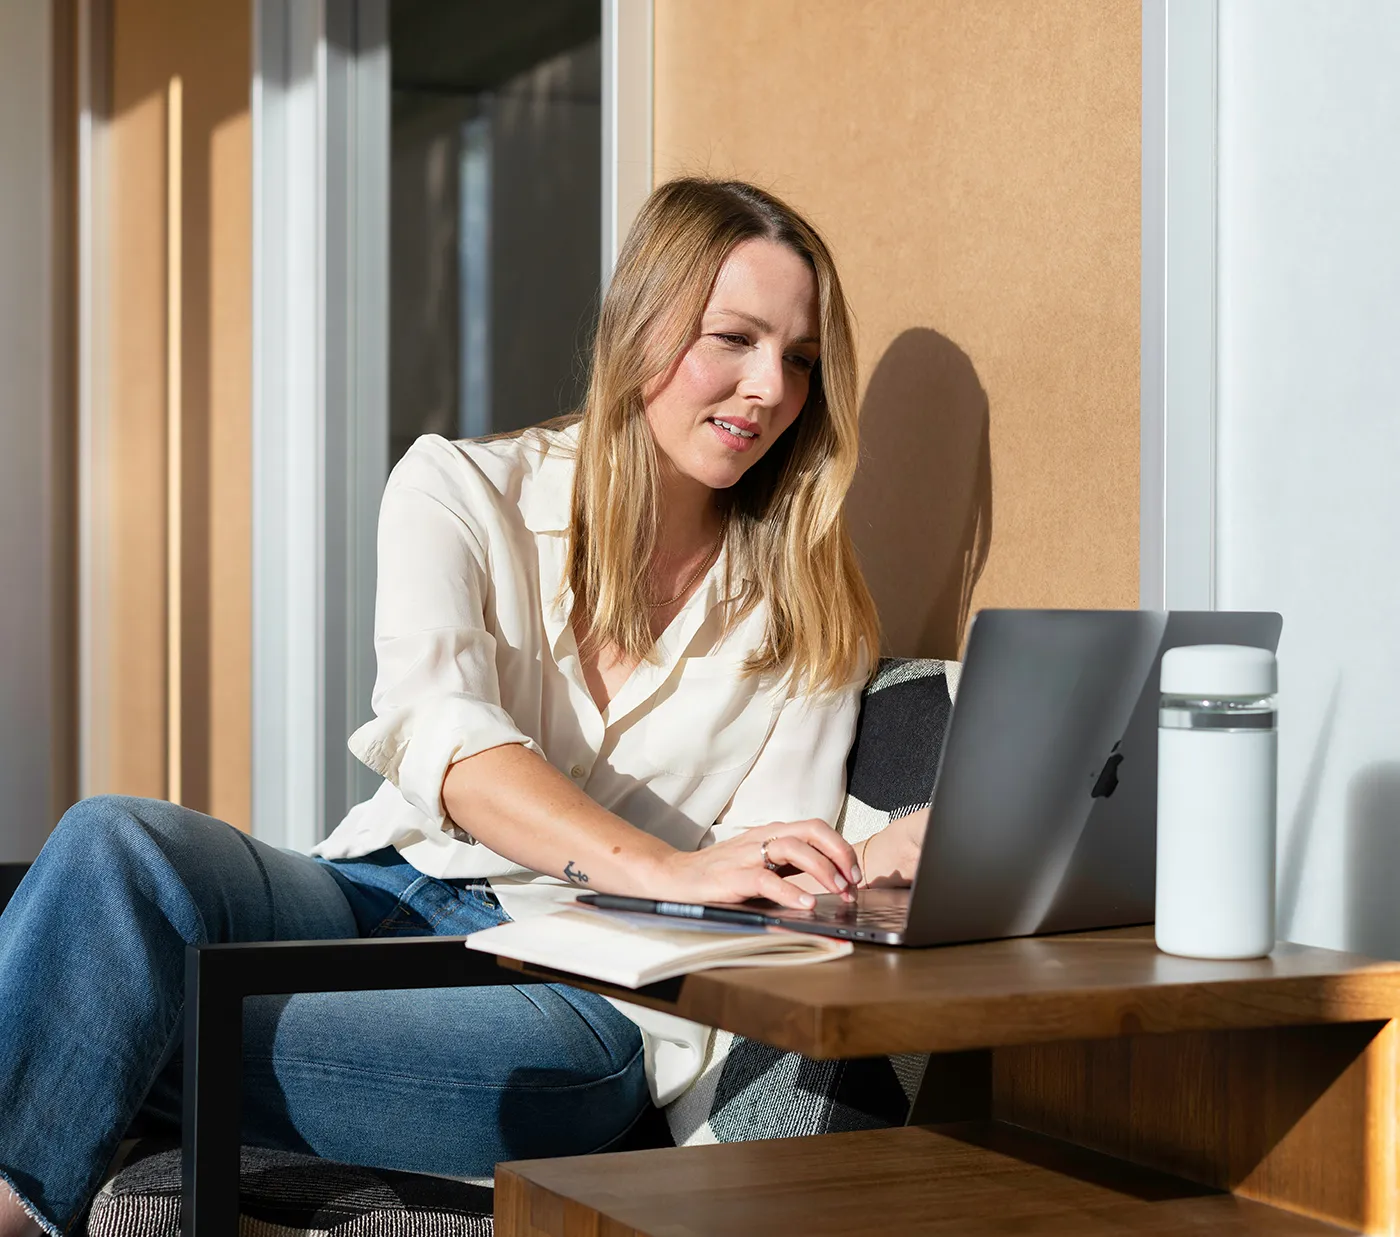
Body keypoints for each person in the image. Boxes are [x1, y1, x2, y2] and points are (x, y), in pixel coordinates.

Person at [0, 177, 926, 1237]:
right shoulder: (458, 489)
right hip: (375, 894)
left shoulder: (810, 607)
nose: (768, 387)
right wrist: (665, 863)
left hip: (577, 993)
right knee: (118, 841)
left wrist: (890, 854)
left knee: (87, 1004)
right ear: (640, 329)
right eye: (733, 339)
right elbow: (447, 740)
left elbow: (764, 867)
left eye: (799, 359)